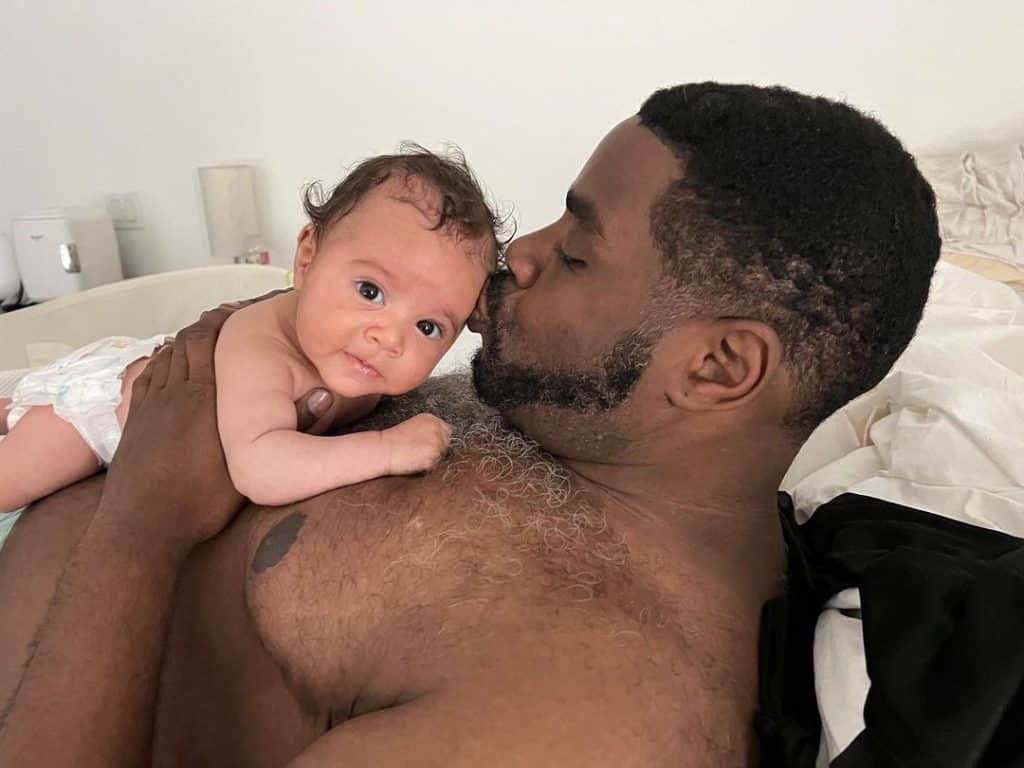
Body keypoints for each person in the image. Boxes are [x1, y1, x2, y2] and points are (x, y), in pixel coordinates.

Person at [0, 82, 940, 766]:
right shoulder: (567, 420)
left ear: (718, 367)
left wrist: (143, 517)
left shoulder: (583, 718)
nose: (512, 259)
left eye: (573, 251)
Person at [0, 148, 499, 513]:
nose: (391, 338)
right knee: (16, 478)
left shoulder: (352, 358)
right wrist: (386, 450)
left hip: (135, 361)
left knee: (15, 405)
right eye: (370, 291)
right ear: (307, 257)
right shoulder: (261, 346)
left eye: (429, 326)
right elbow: (260, 468)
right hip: (102, 407)